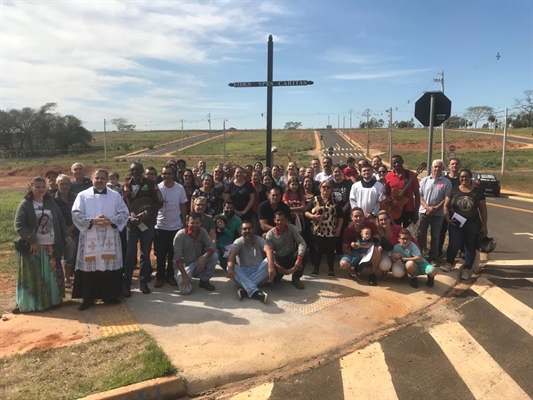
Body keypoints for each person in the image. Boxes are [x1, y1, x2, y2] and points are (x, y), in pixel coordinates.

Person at [71, 170, 129, 310]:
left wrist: (111, 220)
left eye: (103, 178)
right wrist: (92, 221)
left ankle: (110, 296)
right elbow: (76, 213)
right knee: (90, 265)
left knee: (109, 265)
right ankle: (87, 297)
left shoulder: (115, 196)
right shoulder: (82, 196)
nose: (100, 180)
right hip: (91, 236)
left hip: (110, 236)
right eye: (97, 178)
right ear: (92, 178)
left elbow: (124, 213)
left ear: (106, 179)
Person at [13, 177, 71, 313]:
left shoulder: (50, 202)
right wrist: (32, 240)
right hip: (34, 248)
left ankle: (53, 301)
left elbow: (61, 221)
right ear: (31, 188)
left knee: (52, 275)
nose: (41, 189)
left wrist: (66, 234)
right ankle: (32, 303)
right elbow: (19, 225)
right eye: (37, 187)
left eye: (42, 187)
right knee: (33, 276)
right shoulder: (26, 204)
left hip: (51, 247)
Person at [122, 162, 163, 297]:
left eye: (138, 170)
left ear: (142, 171)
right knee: (129, 255)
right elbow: (121, 206)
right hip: (131, 224)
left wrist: (145, 213)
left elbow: (159, 202)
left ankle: (143, 282)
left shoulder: (151, 184)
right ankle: (126, 284)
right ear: (130, 171)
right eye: (133, 170)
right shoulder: (125, 186)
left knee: (145, 253)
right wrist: (129, 218)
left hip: (147, 224)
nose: (135, 172)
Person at [443, 169, 488, 280]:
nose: (464, 178)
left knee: (470, 246)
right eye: (462, 176)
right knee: (454, 244)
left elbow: (483, 210)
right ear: (459, 178)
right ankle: (449, 263)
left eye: (466, 176)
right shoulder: (453, 190)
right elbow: (446, 206)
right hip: (456, 223)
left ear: (470, 177)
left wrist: (484, 226)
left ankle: (467, 269)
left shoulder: (478, 192)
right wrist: (447, 217)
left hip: (472, 223)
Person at [154, 165, 188, 289]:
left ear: (173, 175)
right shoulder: (157, 188)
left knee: (173, 254)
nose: (167, 176)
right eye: (164, 174)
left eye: (169, 173)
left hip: (175, 226)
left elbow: (183, 206)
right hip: (160, 226)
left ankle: (170, 275)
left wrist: (184, 222)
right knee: (161, 254)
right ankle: (160, 277)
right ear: (161, 175)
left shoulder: (179, 188)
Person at [227, 220, 275, 303]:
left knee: (270, 261)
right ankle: (255, 292)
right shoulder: (238, 241)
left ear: (254, 230)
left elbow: (269, 250)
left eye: (249, 229)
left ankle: (245, 289)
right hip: (244, 273)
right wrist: (231, 268)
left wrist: (271, 267)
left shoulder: (259, 239)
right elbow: (232, 255)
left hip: (258, 273)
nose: (247, 231)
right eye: (244, 229)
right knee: (230, 266)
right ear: (241, 231)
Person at [304, 180, 344, 278]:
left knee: (331, 251)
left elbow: (341, 216)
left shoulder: (335, 201)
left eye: (328, 187)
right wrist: (313, 217)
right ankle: (316, 269)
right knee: (318, 250)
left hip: (331, 231)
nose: (326, 189)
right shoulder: (314, 200)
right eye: (324, 187)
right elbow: (306, 212)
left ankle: (331, 270)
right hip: (317, 230)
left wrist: (339, 229)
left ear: (331, 189)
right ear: (320, 188)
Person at [417, 159, 452, 266]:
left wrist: (435, 208)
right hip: (423, 212)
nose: (437, 169)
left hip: (438, 214)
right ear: (432, 168)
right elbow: (420, 196)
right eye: (435, 166)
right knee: (421, 234)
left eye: (439, 167)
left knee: (435, 236)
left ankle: (433, 257)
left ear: (443, 168)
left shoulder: (446, 182)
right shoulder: (425, 180)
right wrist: (427, 208)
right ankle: (419, 255)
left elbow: (446, 198)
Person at [173, 212, 218, 294]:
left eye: (197, 223)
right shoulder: (180, 235)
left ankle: (204, 281)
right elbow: (177, 258)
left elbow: (212, 245)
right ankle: (179, 277)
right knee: (185, 291)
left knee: (214, 256)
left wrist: (204, 257)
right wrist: (184, 275)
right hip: (184, 266)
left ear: (200, 223)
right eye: (192, 223)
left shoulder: (203, 231)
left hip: (197, 262)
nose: (195, 225)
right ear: (187, 223)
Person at [339, 208, 381, 285]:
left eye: (361, 216)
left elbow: (377, 241)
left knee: (377, 249)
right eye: (356, 216)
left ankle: (372, 274)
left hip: (368, 253)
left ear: (364, 216)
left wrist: (362, 247)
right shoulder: (348, 230)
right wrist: (357, 256)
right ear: (351, 217)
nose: (358, 218)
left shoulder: (370, 225)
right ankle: (353, 268)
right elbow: (344, 249)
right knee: (343, 264)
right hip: (353, 253)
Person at [266, 211, 307, 290]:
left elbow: (302, 242)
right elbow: (269, 252)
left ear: (286, 220)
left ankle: (296, 278)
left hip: (290, 256)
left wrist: (299, 258)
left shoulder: (292, 228)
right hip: (279, 260)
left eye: (282, 220)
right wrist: (277, 265)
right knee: (276, 280)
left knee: (305, 252)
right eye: (278, 220)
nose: (280, 222)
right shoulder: (270, 234)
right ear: (274, 220)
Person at [53, 174, 79, 288]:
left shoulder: (77, 197)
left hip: (73, 232)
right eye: (62, 184)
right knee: (56, 256)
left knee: (70, 256)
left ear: (70, 184)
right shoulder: (51, 200)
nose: (64, 186)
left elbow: (81, 214)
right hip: (57, 233)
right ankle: (57, 279)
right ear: (57, 185)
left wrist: (71, 228)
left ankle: (67, 278)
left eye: (67, 183)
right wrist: (63, 231)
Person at [384, 155, 420, 227]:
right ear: (391, 164)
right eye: (394, 163)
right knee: (395, 232)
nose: (396, 164)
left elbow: (417, 195)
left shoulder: (411, 175)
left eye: (398, 162)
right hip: (395, 210)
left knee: (408, 233)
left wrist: (416, 213)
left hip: (408, 209)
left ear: (402, 162)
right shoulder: (388, 176)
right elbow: (386, 193)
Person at [438, 157, 461, 257]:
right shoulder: (444, 180)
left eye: (456, 164)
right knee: (441, 232)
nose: (454, 165)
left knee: (456, 233)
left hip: (458, 212)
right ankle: (438, 252)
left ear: (459, 165)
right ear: (449, 166)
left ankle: (455, 253)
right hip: (444, 210)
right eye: (452, 164)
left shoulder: (462, 179)